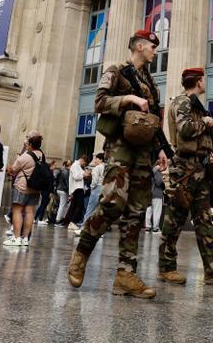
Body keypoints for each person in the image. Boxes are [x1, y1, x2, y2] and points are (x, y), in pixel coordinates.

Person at [68, 29, 163, 299]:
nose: (155, 51)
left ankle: (125, 274)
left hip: (144, 154)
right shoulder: (117, 70)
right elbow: (99, 101)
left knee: (135, 213)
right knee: (112, 202)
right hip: (120, 149)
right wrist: (129, 99)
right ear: (140, 46)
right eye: (152, 46)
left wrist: (162, 149)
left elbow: (154, 117)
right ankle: (82, 252)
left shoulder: (152, 82)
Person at [157, 68, 213, 286]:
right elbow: (185, 129)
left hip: (200, 169)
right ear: (198, 82)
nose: (205, 82)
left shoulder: (196, 105)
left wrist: (211, 133)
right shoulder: (182, 102)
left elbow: (197, 133)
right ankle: (166, 267)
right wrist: (205, 124)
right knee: (175, 220)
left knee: (204, 220)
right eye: (203, 79)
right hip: (185, 171)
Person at [5, 132, 46, 247]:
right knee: (30, 213)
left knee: (17, 211)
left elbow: (13, 169)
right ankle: (25, 239)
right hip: (35, 188)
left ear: (30, 144)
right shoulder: (41, 155)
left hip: (22, 187)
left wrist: (11, 168)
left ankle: (16, 238)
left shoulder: (25, 156)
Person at [66, 155, 90, 234]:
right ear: (82, 160)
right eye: (85, 163)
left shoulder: (78, 166)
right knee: (80, 205)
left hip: (77, 188)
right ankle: (72, 222)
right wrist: (84, 175)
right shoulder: (75, 165)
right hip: (77, 188)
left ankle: (70, 223)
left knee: (74, 206)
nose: (84, 165)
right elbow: (76, 177)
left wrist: (86, 174)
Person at [82, 153, 106, 224]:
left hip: (97, 188)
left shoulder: (97, 168)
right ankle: (97, 230)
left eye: (96, 158)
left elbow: (94, 181)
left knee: (90, 209)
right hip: (104, 189)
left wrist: (92, 188)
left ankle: (84, 227)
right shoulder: (106, 168)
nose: (95, 160)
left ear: (101, 159)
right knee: (99, 211)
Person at [145, 155, 167, 232]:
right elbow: (158, 182)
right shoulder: (157, 171)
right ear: (160, 164)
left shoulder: (150, 171)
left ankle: (147, 226)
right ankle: (155, 228)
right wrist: (163, 183)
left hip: (149, 193)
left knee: (149, 211)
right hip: (157, 193)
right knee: (157, 211)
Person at [52, 160, 71, 226]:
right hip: (63, 190)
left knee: (62, 205)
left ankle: (60, 219)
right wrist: (70, 191)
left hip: (59, 189)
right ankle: (58, 220)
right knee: (62, 205)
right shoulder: (66, 172)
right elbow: (67, 182)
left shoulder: (61, 171)